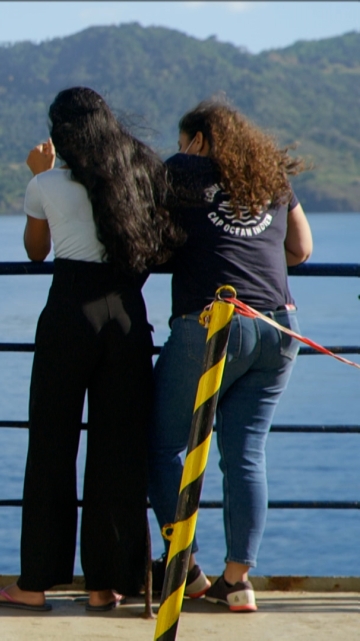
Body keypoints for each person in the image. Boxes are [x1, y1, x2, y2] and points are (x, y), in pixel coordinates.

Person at [0, 87, 178, 613]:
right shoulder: (140, 177)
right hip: (126, 318)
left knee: (51, 447)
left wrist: (35, 176)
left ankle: (36, 583)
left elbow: (35, 250)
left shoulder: (46, 183)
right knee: (118, 451)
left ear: (64, 134)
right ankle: (106, 585)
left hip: (69, 316)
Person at [147, 98, 312, 613]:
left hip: (215, 323)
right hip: (279, 325)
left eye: (182, 143)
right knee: (244, 453)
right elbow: (301, 248)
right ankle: (238, 581)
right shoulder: (269, 178)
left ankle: (187, 569)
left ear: (197, 141)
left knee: (163, 444)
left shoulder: (184, 170)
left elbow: (153, 238)